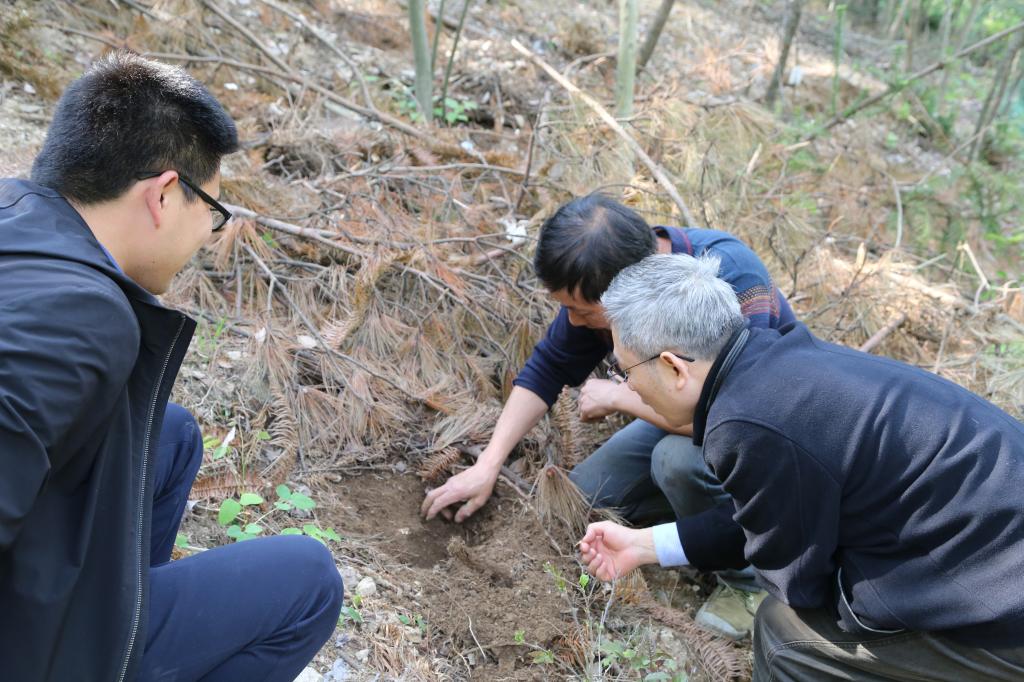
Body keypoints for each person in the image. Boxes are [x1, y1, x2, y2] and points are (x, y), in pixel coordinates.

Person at [0, 52, 342, 682]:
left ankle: (128, 619)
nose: (210, 233)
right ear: (162, 194)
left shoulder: (17, 215)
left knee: (175, 436)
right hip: (30, 644)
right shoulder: (80, 315)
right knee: (310, 579)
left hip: (34, 565)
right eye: (211, 210)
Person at [579, 252, 1024, 681]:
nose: (628, 387)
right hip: (996, 544)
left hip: (1004, 609)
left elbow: (798, 584)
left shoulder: (746, 424)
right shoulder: (779, 359)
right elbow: (772, 517)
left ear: (674, 368)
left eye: (625, 371)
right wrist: (644, 546)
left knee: (785, 632)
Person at [421, 194, 795, 638]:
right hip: (676, 413)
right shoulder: (599, 278)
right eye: (568, 309)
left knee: (675, 461)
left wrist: (621, 398)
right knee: (585, 494)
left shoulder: (730, 280)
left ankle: (751, 581)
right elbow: (548, 368)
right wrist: (488, 464)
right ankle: (695, 516)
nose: (576, 322)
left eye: (583, 312)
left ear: (626, 289)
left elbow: (735, 418)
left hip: (764, 436)